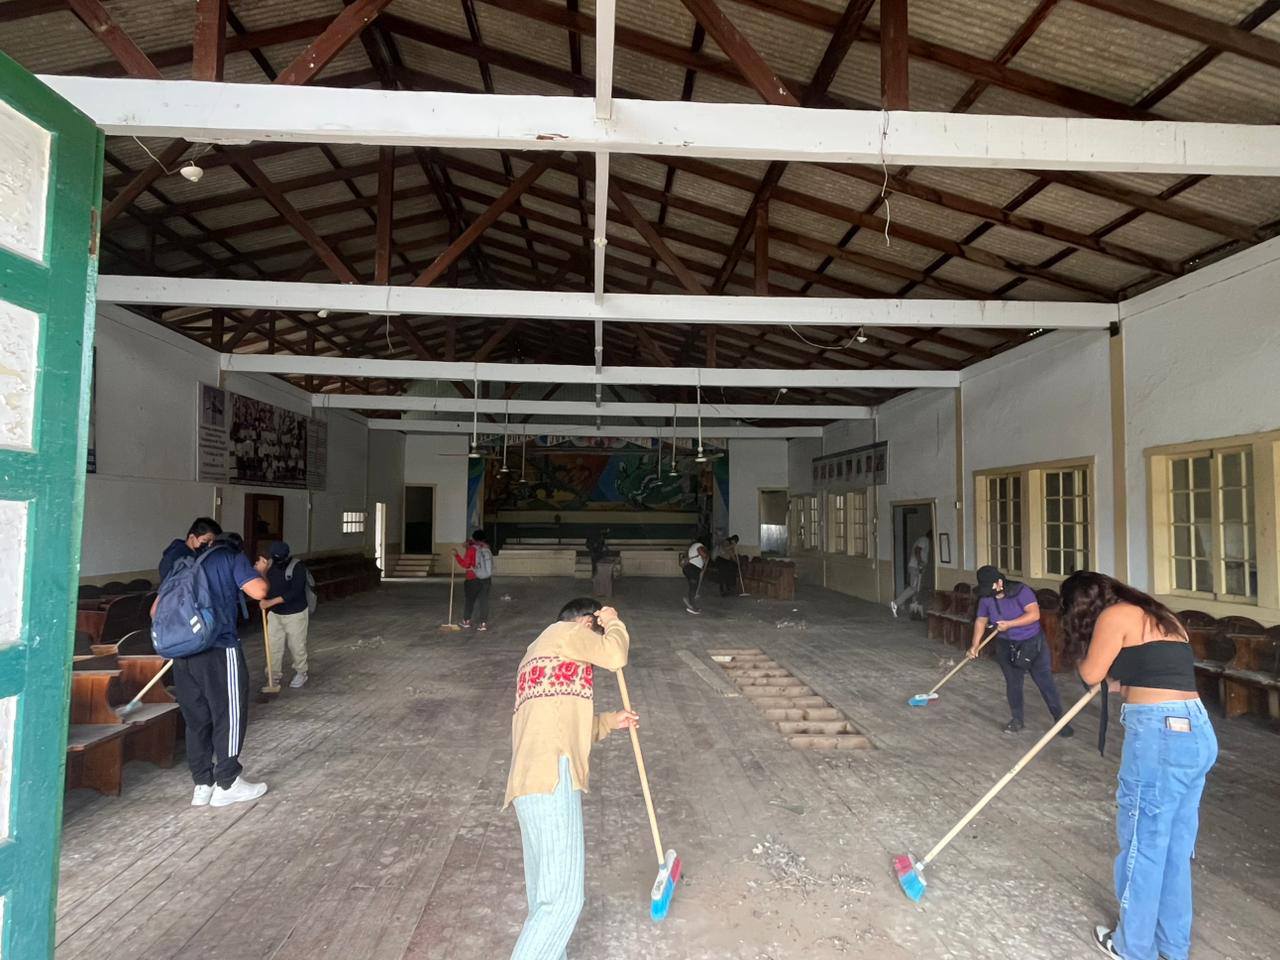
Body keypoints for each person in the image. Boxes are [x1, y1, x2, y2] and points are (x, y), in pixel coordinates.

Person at [1062, 572, 1217, 960]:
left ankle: (1132, 947)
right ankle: (1172, 946)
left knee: (1144, 844)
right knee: (1174, 849)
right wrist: (1118, 682)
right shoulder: (1162, 616)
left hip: (1160, 736)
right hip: (1196, 731)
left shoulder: (1114, 616)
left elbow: (1090, 673)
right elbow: (1152, 676)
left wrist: (1086, 659)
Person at [505, 598, 636, 960]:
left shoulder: (538, 651)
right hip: (552, 776)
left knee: (545, 900)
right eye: (594, 630)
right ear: (585, 623)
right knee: (562, 902)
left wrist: (610, 721)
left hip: (529, 781)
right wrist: (613, 621)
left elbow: (565, 725)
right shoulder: (567, 633)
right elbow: (615, 655)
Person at [155, 531, 270, 808]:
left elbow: (155, 610)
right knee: (228, 713)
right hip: (219, 648)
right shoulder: (231, 558)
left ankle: (202, 784)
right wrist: (261, 572)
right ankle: (228, 783)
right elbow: (259, 591)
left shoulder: (185, 564)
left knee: (197, 720)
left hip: (184, 652)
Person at [968, 565, 1073, 737]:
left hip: (1032, 643)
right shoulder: (986, 598)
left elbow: (1034, 615)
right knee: (1013, 683)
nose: (987, 592)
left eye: (990, 587)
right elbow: (981, 620)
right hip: (1006, 644)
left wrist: (1009, 624)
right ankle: (1017, 719)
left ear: (999, 582)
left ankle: (1061, 721)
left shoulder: (1021, 591)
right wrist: (975, 645)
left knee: (1045, 683)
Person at [255, 541, 310, 689]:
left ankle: (301, 672)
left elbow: (295, 592)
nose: (277, 562)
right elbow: (265, 587)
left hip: (295, 613)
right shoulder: (269, 566)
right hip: (275, 614)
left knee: (296, 645)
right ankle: (273, 676)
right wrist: (261, 573)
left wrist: (270, 602)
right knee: (273, 646)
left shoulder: (297, 567)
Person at [159, 516, 221, 582]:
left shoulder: (199, 553)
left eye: (212, 542)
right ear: (192, 537)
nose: (209, 545)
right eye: (205, 540)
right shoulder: (176, 556)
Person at [454, 529, 494, 631]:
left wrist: (456, 555)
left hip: (472, 579)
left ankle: (466, 621)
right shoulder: (486, 548)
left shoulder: (471, 550)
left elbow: (465, 564)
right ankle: (483, 624)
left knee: (469, 600)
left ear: (474, 538)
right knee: (484, 601)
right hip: (486, 578)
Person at [890, 529, 931, 618]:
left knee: (917, 588)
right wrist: (919, 563)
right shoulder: (924, 539)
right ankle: (896, 603)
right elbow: (917, 550)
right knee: (913, 588)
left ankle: (914, 610)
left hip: (917, 567)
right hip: (916, 567)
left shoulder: (924, 540)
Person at [681, 541, 708, 615]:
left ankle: (690, 601)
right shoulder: (699, 545)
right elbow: (702, 552)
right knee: (693, 587)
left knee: (693, 587)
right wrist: (705, 557)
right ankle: (692, 607)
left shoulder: (693, 547)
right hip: (692, 569)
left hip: (691, 569)